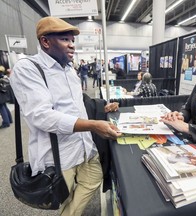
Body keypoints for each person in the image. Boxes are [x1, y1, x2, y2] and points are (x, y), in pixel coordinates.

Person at [10, 16, 121, 216]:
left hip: (85, 147)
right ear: (45, 41)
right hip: (59, 155)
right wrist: (93, 125)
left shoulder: (69, 69)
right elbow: (42, 116)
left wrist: (102, 108)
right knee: (63, 196)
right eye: (65, 40)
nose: (72, 46)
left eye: (72, 41)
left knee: (94, 178)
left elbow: (78, 103)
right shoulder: (28, 69)